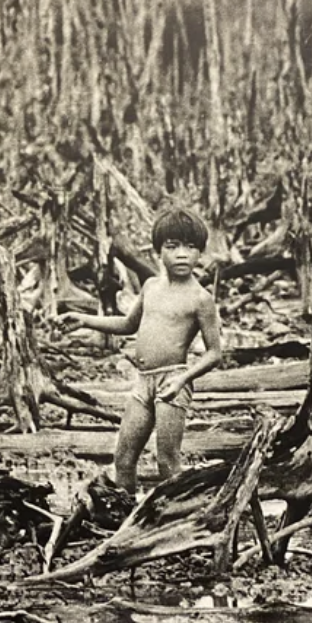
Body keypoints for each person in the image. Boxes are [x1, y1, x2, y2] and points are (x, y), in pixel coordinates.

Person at [59, 207, 223, 494]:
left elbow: (214, 353)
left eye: (191, 247)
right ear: (159, 251)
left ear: (200, 253)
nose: (182, 254)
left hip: (172, 381)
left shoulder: (201, 299)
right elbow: (127, 324)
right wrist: (83, 319)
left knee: (167, 462)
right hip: (142, 382)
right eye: (173, 247)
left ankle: (176, 523)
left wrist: (183, 379)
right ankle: (126, 519)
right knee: (123, 459)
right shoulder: (150, 287)